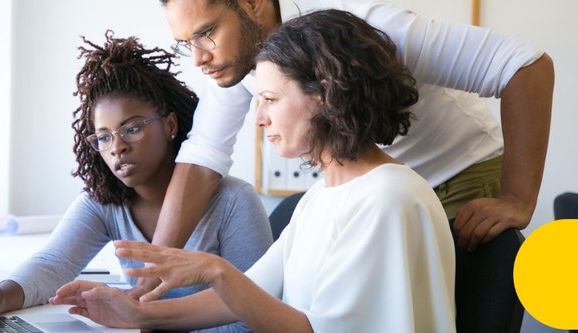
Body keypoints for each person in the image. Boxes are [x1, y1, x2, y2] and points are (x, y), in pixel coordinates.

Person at [50, 10, 456, 332]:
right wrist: (136, 313)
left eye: (270, 99)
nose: (258, 118)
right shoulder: (321, 197)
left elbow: (308, 329)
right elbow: (249, 294)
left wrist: (214, 269)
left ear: (326, 94)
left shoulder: (388, 198)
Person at [137, 0, 554, 298]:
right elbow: (203, 156)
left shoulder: (368, 25)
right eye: (185, 42)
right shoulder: (236, 61)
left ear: (252, 4)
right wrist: (150, 276)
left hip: (460, 175)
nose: (197, 59)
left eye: (206, 32)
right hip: (375, 193)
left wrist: (518, 197)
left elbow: (524, 64)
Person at [0, 32, 273, 328]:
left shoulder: (233, 201)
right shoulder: (104, 202)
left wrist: (149, 323)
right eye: (103, 138)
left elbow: (254, 312)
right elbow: (54, 264)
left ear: (170, 125)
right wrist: (0, 298)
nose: (117, 147)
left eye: (132, 128)